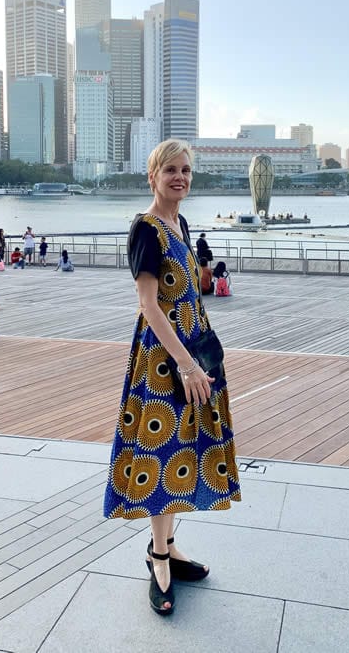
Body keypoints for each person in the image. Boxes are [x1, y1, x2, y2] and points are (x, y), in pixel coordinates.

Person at [103, 138, 240, 617]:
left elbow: (189, 295)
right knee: (162, 455)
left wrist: (203, 355)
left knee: (186, 451)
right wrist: (185, 363)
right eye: (170, 172)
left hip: (194, 351)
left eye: (186, 171)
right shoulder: (145, 230)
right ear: (152, 176)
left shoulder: (180, 223)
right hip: (165, 361)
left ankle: (170, 545)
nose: (179, 178)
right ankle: (158, 557)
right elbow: (149, 305)